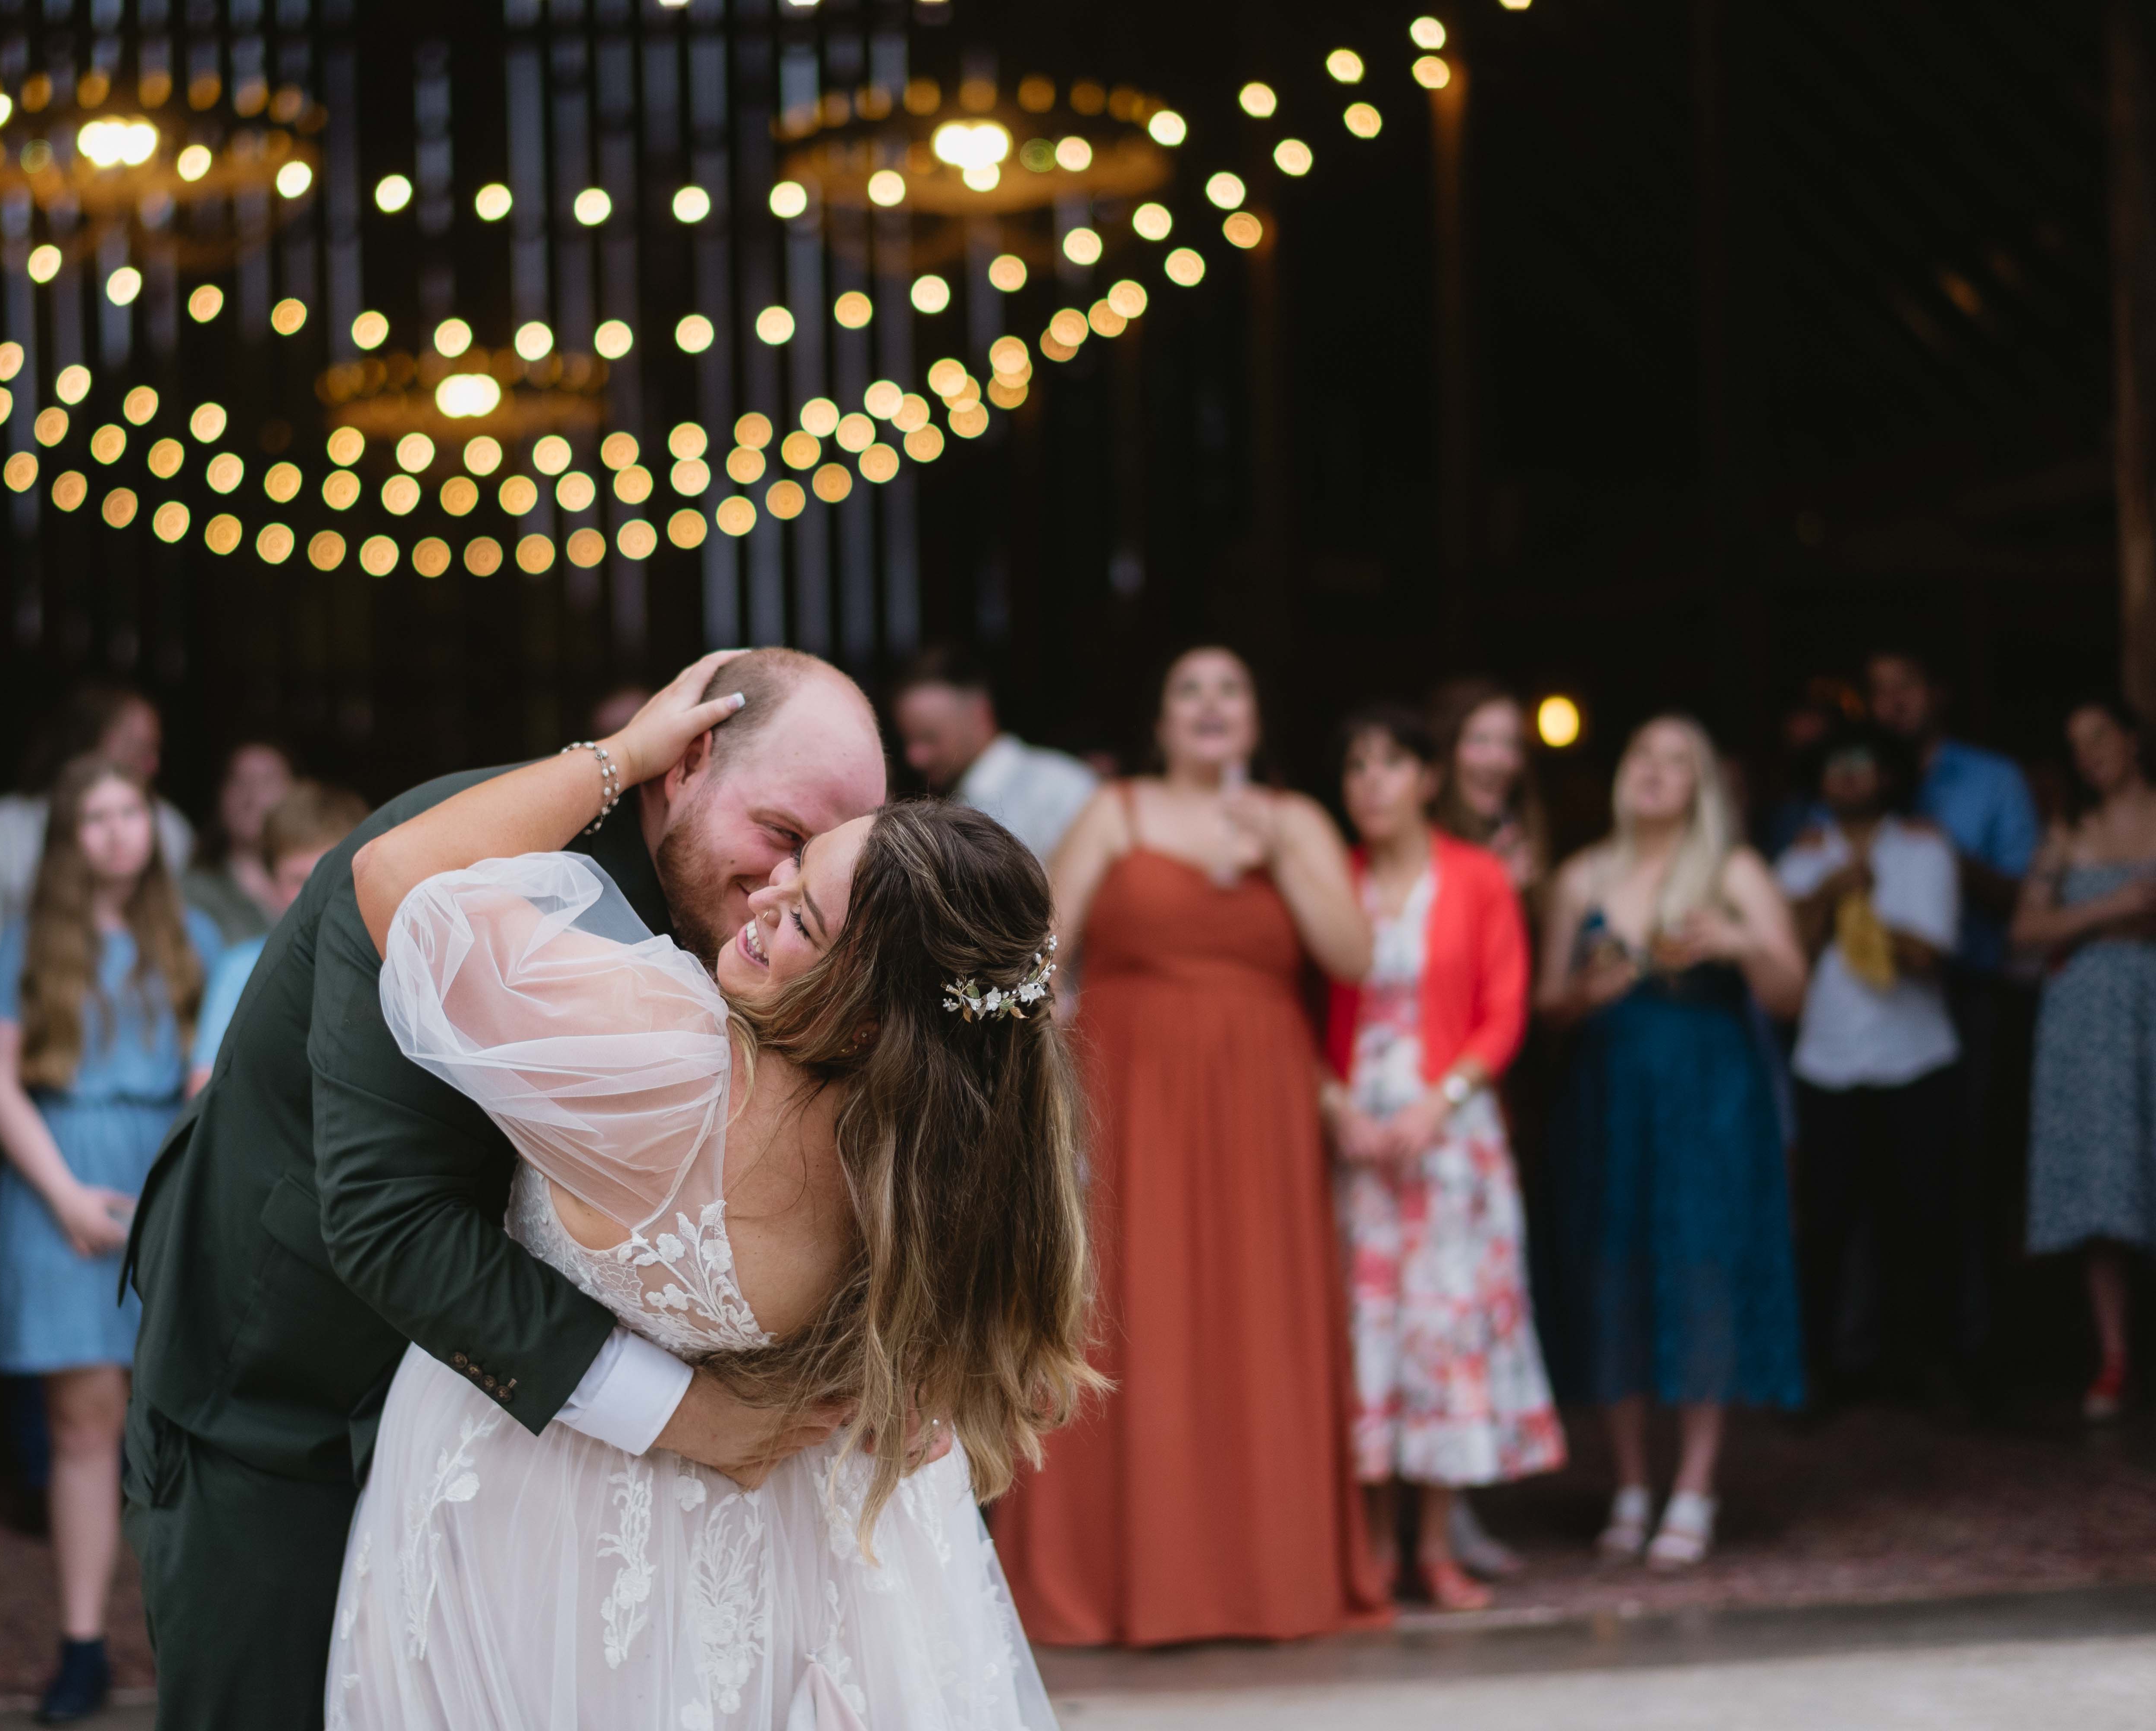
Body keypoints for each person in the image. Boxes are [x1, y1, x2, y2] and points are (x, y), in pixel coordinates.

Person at [122, 650, 888, 1730]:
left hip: (508, 1457)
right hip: (278, 1395)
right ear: (690, 759)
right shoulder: (463, 855)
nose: (788, 888)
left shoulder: (771, 933)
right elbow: (390, 1222)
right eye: (783, 836)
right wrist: (687, 1415)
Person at [324, 687, 1095, 1727]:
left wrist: (625, 754)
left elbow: (393, 877)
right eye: (795, 855)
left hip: (534, 1535)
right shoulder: (950, 1158)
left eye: (804, 914)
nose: (766, 896)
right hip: (778, 1566)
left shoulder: (676, 1074)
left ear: (872, 1015)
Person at [988, 645, 1384, 1646]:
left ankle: (1265, 1574)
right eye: (1188, 692)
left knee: (1258, 1304)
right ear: (1160, 722)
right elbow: (1042, 945)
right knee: (1131, 1303)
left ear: (1254, 718)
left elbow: (1353, 956)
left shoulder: (1296, 820)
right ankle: (1114, 1575)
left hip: (1260, 1096)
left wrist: (1285, 853)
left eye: (1230, 691)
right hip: (1132, 1091)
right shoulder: (1113, 811)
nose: (1209, 707)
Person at [0, 753, 222, 1721]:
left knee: (181, 1421)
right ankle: (81, 1641)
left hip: (167, 1165)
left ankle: (190, 1635)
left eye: (135, 812)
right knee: (82, 1425)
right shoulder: (29, 939)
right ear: (68, 840)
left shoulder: (193, 933)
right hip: (58, 1175)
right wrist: (65, 1195)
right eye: (98, 817)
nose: (121, 831)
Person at [1536, 715, 1808, 1570]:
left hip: (1708, 1094)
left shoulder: (1732, 870)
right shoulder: (1579, 875)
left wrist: (1738, 941)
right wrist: (1584, 992)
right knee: (1612, 1271)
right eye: (1640, 755)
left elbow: (1792, 994)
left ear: (1701, 784)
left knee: (1700, 1271)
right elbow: (1543, 1012)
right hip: (1611, 1094)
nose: (1653, 772)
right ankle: (1627, 1482)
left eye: (1674, 761)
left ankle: (1692, 1484)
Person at [1321, 705, 1563, 1614]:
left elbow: (1504, 1008)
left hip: (1449, 1136)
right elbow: (1296, 1016)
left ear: (1429, 776)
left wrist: (1438, 1101)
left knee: (1446, 1332)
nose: (1370, 783)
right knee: (1368, 1333)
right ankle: (1374, 1547)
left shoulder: (1476, 878)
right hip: (1354, 1139)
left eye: (1389, 764)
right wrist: (1332, 1103)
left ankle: (1435, 1546)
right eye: (1354, 767)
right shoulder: (1330, 880)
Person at [1774, 722, 1964, 1404]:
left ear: (1888, 775)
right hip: (1827, 1060)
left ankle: (1932, 1366)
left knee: (1926, 1220)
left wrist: (1868, 909)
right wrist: (1829, 892)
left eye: (1864, 763)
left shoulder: (1924, 849)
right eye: (1835, 765)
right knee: (1824, 1224)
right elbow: (1782, 960)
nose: (1849, 775)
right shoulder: (1799, 857)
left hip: (1917, 1059)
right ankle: (1820, 1372)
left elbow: (1932, 954)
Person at [1865, 648, 2037, 1359]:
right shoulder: (1856, 782)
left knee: (1967, 1173)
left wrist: (1946, 858)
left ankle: (1975, 1349)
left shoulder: (1993, 779)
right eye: (1877, 691)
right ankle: (1888, 1347)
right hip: (1876, 998)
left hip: (1969, 995)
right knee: (1882, 1170)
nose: (1891, 702)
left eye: (1904, 685)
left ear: (1936, 691)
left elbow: (2027, 898)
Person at [2015, 697, 2156, 1420]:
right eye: (2076, 745)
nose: (2090, 753)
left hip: (2150, 999)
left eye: (2100, 736)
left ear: (2133, 740)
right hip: (2090, 1016)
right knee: (2105, 1181)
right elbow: (2025, 929)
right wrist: (2109, 908)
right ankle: (2114, 1356)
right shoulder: (2068, 832)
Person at [0, 684, 195, 1048]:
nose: (152, 764)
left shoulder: (170, 831)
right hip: (19, 1058)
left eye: (155, 749)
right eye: (137, 746)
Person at [187, 782, 369, 1095]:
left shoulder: (381, 963)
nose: (316, 894)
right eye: (298, 880)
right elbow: (203, 1088)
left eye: (330, 874)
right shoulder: (241, 967)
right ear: (270, 883)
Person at [892, 644, 1098, 862]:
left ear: (980, 716)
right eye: (908, 740)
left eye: (930, 737)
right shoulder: (953, 798)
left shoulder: (1060, 788)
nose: (914, 758)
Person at [1430, 678, 1551, 899]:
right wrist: (1494, 889)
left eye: (1510, 743)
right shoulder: (1423, 850)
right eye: (1480, 740)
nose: (1498, 760)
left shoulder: (1521, 841)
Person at [181, 740, 297, 947]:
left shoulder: (318, 883)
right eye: (239, 782)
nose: (252, 796)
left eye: (267, 782)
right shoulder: (193, 893)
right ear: (221, 795)